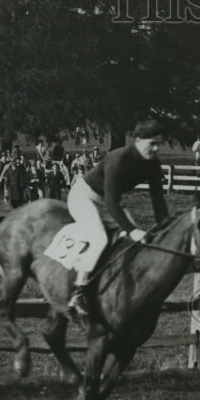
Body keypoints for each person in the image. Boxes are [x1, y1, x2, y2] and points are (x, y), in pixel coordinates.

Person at [66, 119, 169, 317]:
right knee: (99, 238)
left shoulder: (152, 163)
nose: (156, 148)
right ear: (138, 140)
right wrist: (132, 229)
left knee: (130, 242)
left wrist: (164, 225)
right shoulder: (119, 159)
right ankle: (78, 292)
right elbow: (113, 202)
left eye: (159, 144)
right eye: (152, 144)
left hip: (105, 200)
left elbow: (158, 199)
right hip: (84, 197)